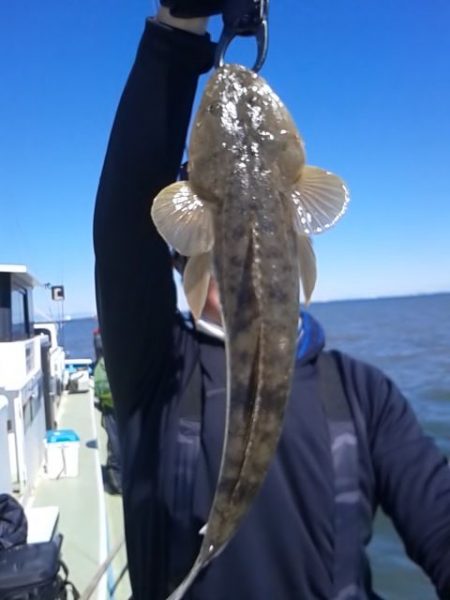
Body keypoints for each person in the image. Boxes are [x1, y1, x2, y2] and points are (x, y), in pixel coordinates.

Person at [93, 3, 450, 599]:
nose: (236, 235)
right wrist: (177, 31)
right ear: (182, 242)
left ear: (298, 217)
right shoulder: (157, 374)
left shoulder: (364, 396)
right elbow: (122, 230)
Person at [93, 348, 122, 495]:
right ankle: (115, 483)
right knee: (116, 448)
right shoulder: (103, 365)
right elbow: (101, 388)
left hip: (128, 411)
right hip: (112, 411)